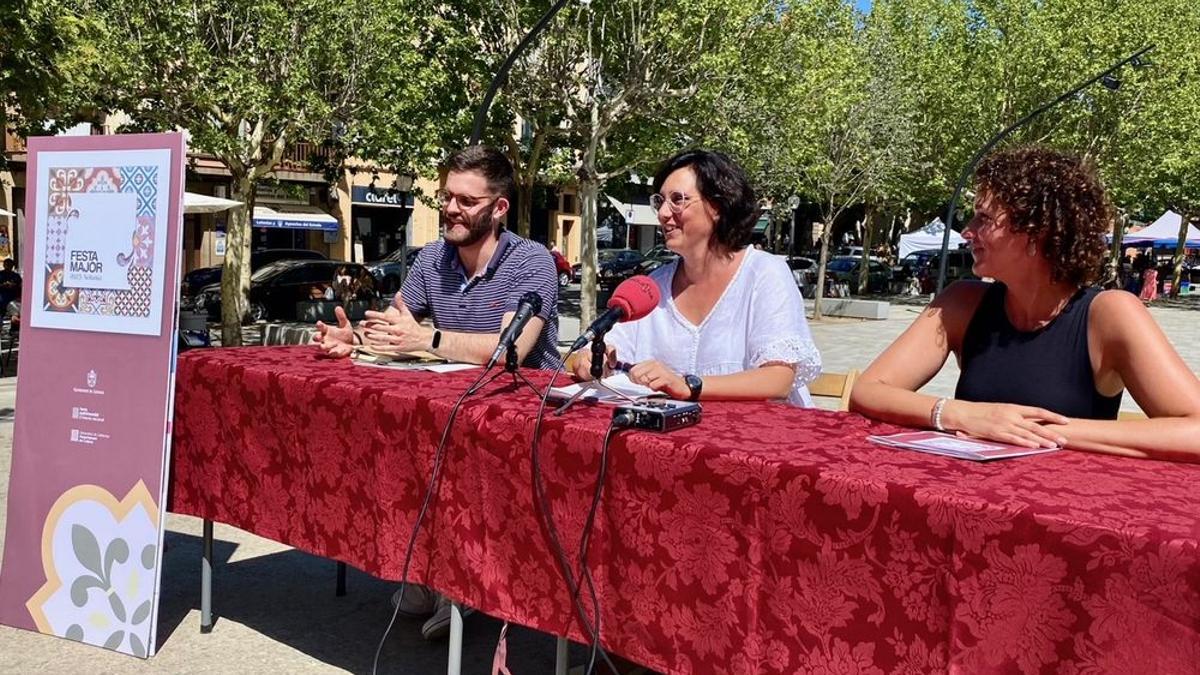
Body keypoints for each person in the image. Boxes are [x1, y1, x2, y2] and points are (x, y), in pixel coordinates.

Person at [312, 145, 560, 639]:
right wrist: (356, 339)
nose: (450, 209)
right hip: (451, 407)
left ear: (499, 208)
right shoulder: (432, 258)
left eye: (466, 201)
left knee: (454, 457)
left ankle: (462, 584)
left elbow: (511, 352)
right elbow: (395, 326)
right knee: (390, 440)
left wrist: (429, 340)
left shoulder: (532, 262)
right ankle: (426, 568)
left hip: (524, 417)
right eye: (447, 196)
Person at [850, 146, 1200, 462]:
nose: (967, 231)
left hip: (1064, 516)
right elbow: (868, 391)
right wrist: (961, 414)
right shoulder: (962, 302)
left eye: (984, 218)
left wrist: (1034, 431)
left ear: (1037, 231)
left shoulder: (1111, 314)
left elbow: (1194, 430)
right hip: (967, 505)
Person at [573, 149, 821, 405]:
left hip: (758, 438)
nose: (662, 213)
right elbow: (610, 347)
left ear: (717, 206)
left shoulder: (765, 274)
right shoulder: (652, 287)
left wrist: (688, 385)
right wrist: (591, 357)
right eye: (660, 201)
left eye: (677, 199)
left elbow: (778, 379)